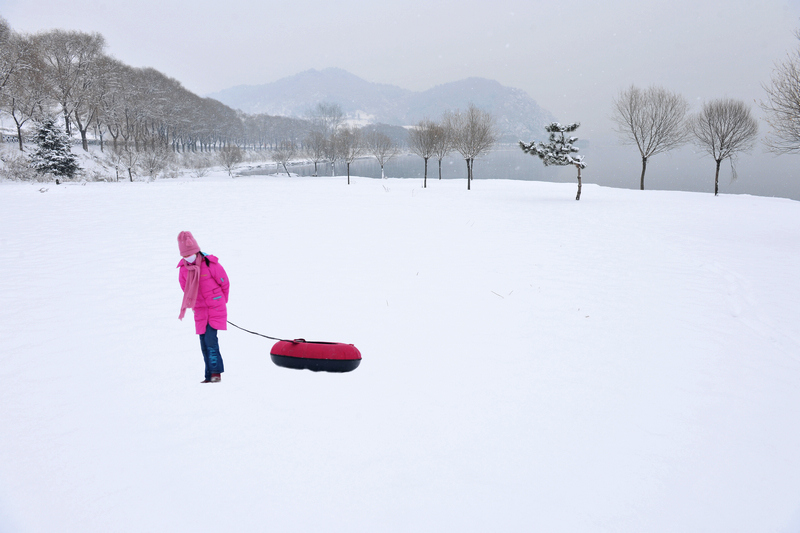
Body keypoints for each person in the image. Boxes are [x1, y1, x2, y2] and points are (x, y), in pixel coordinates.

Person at [177, 231, 230, 383]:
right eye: (185, 256)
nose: (188, 258)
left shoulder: (210, 264)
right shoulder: (183, 270)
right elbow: (185, 290)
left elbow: (224, 283)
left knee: (211, 340)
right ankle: (208, 376)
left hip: (216, 307)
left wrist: (220, 301)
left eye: (190, 255)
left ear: (196, 251)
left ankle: (215, 374)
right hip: (200, 310)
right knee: (204, 343)